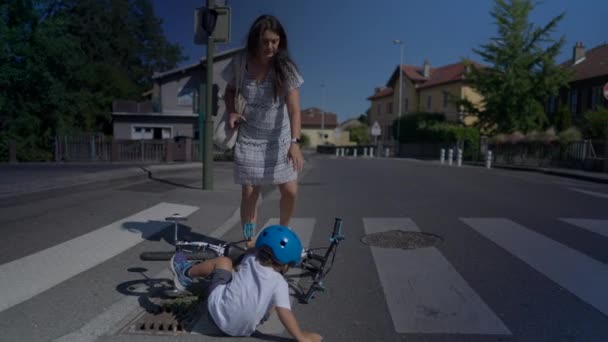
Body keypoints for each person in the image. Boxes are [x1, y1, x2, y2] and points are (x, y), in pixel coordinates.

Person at [221, 15, 305, 243]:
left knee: (290, 190)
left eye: (275, 42)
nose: (270, 47)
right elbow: (229, 91)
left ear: (280, 42)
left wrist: (295, 143)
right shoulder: (241, 62)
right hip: (250, 138)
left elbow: (295, 110)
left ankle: (283, 231)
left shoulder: (285, 68)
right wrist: (231, 111)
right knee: (249, 193)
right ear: (255, 40)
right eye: (265, 41)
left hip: (279, 139)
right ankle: (248, 241)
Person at [170, 225, 322, 341]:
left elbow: (250, 250)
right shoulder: (280, 283)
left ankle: (185, 273)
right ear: (288, 264)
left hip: (216, 316)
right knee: (277, 301)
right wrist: (301, 337)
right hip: (243, 330)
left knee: (224, 262)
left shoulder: (250, 257)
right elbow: (285, 314)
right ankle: (253, 317)